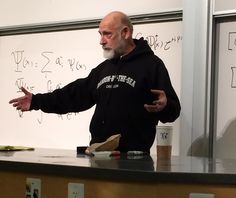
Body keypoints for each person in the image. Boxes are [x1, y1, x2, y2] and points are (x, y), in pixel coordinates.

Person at [9, 11, 181, 153]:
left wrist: (165, 106)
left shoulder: (151, 66)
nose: (101, 40)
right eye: (100, 34)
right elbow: (72, 96)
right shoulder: (103, 70)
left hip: (134, 162)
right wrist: (36, 101)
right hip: (98, 157)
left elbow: (173, 111)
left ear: (126, 33)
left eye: (107, 34)